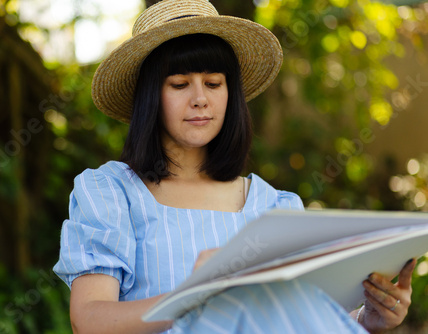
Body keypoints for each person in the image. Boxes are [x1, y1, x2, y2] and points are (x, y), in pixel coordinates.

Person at [53, 0, 416, 333]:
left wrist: (367, 318)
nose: (200, 99)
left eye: (214, 83)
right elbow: (90, 320)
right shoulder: (112, 193)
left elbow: (294, 318)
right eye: (180, 84)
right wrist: (193, 298)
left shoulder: (276, 207)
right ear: (151, 97)